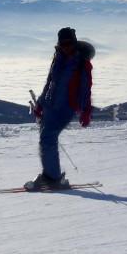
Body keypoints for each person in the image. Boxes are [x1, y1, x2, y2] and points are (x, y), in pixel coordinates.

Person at [27, 27, 94, 190]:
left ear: (74, 42)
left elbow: (86, 88)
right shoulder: (58, 58)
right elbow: (50, 82)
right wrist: (41, 104)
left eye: (69, 44)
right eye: (63, 44)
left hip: (66, 106)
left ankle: (52, 177)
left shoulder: (81, 63)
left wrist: (86, 111)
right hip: (51, 104)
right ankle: (52, 175)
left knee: (48, 137)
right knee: (45, 139)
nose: (66, 47)